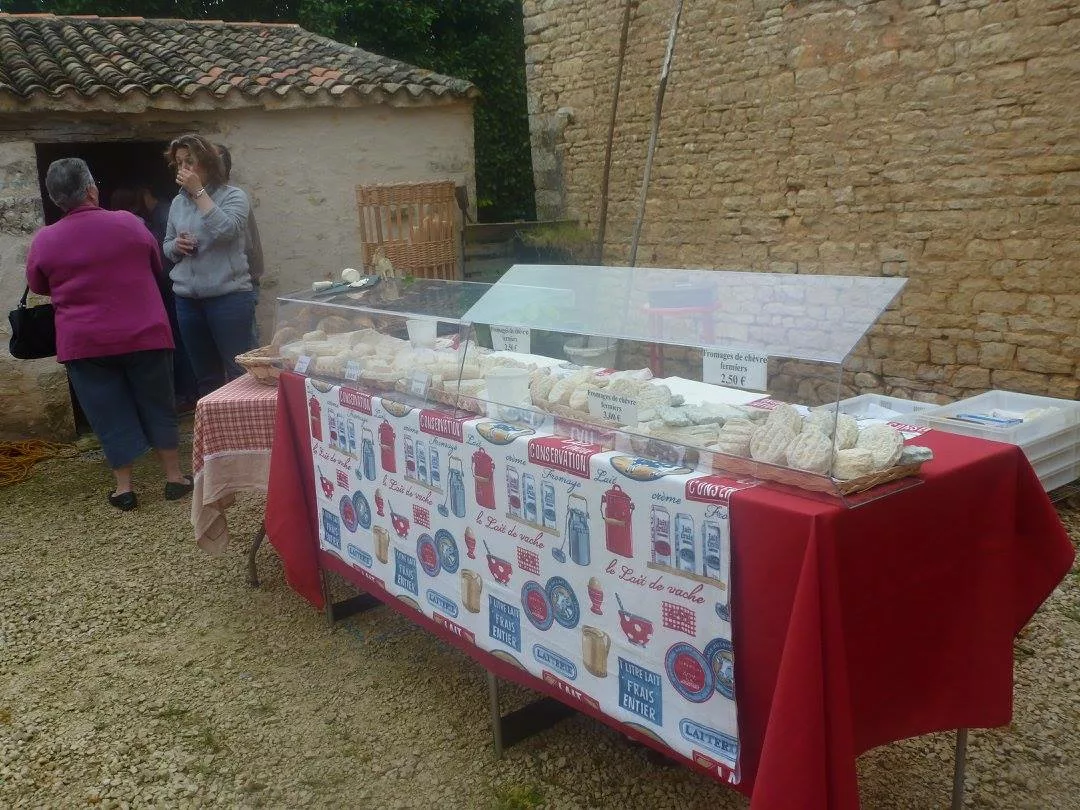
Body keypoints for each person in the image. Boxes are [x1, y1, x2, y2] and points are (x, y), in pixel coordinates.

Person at [25, 158, 194, 511]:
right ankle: (174, 478)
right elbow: (155, 264)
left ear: (56, 198)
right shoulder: (129, 223)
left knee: (107, 411)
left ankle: (124, 489)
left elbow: (38, 284)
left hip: (85, 342)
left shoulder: (45, 239)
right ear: (91, 189)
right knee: (158, 404)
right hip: (144, 332)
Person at [163, 133, 254, 395]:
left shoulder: (234, 196)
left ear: (207, 163)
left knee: (240, 372)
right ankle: (215, 421)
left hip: (228, 298)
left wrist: (199, 193)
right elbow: (166, 245)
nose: (183, 168)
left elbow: (227, 231)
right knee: (206, 377)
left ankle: (245, 420)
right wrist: (177, 246)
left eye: (189, 161)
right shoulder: (178, 202)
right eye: (179, 162)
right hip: (187, 301)